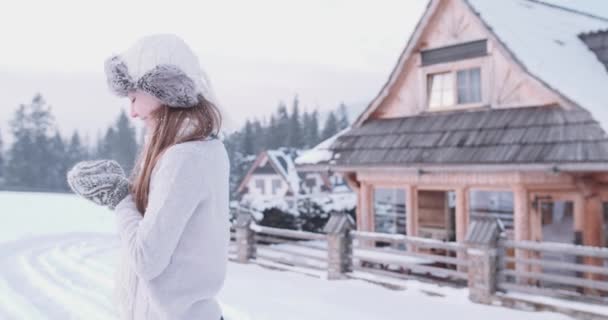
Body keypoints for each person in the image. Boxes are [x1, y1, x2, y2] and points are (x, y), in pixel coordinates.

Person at [66, 33, 230, 320]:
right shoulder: (202, 149)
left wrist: (120, 199)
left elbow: (146, 258)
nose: (131, 112)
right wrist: (127, 195)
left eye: (133, 98)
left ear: (159, 89)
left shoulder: (184, 157)